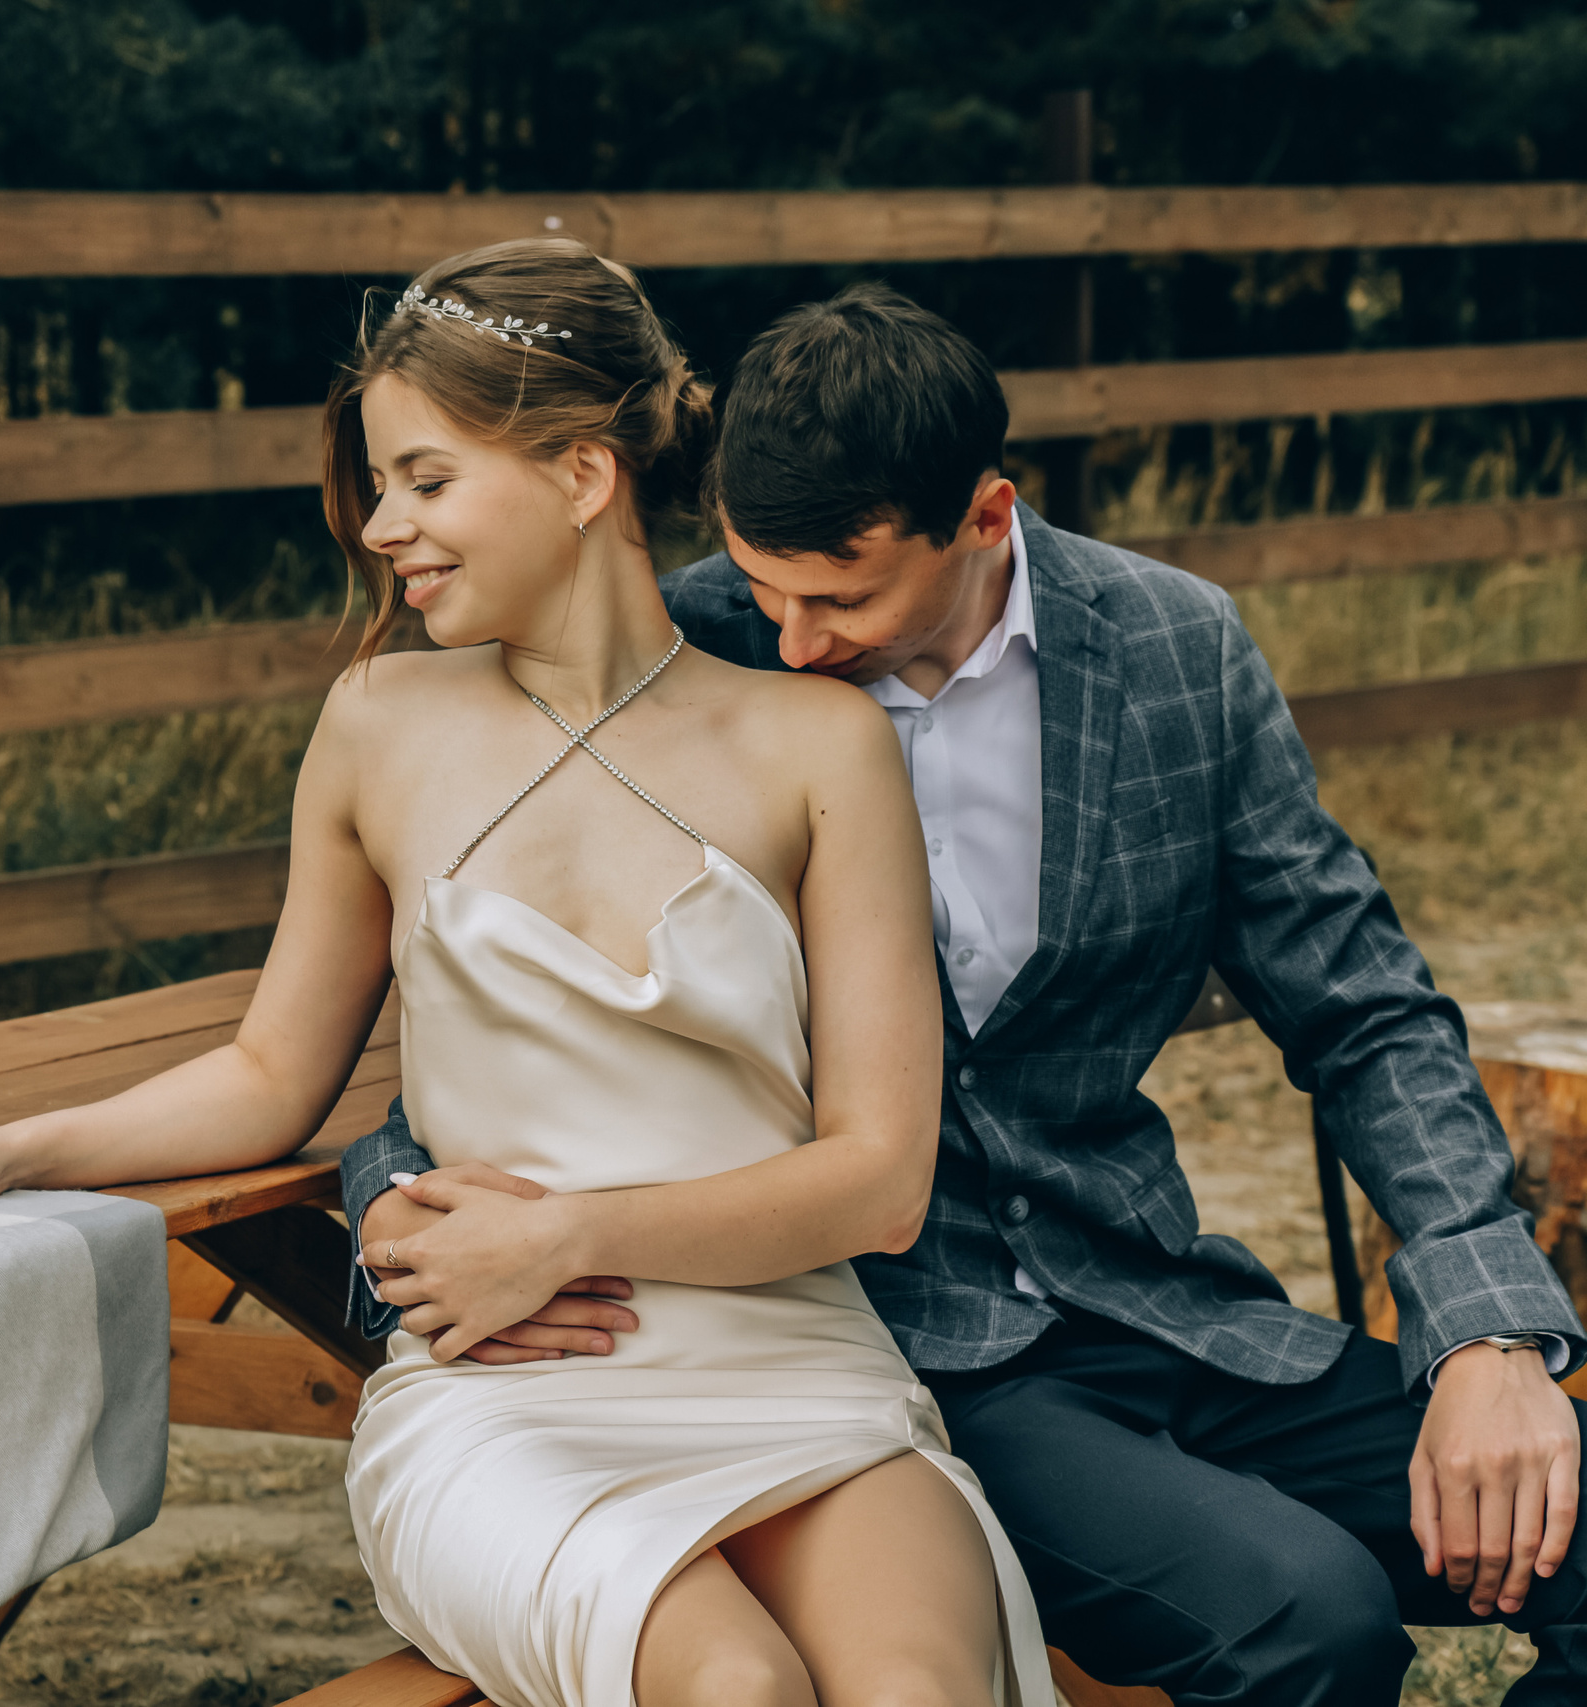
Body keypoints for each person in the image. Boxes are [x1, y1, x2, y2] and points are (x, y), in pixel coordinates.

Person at [0, 242, 1053, 1707]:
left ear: (584, 477)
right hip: (508, 1396)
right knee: (737, 1691)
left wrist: (567, 1236)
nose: (386, 529)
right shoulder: (376, 726)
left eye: (425, 479)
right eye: (382, 490)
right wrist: (4, 1147)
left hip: (798, 1359)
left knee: (919, 1694)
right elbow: (271, 1075)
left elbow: (879, 1179)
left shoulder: (818, 747)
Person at [347, 280, 1587, 1705]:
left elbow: (1361, 1004)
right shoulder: (682, 658)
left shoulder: (1177, 651)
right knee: (1315, 1617)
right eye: (767, 586)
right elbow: (502, 1010)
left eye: (844, 596)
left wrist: (1484, 1329)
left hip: (1168, 1303)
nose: (798, 641)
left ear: (987, 518)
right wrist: (389, 1194)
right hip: (897, 1349)